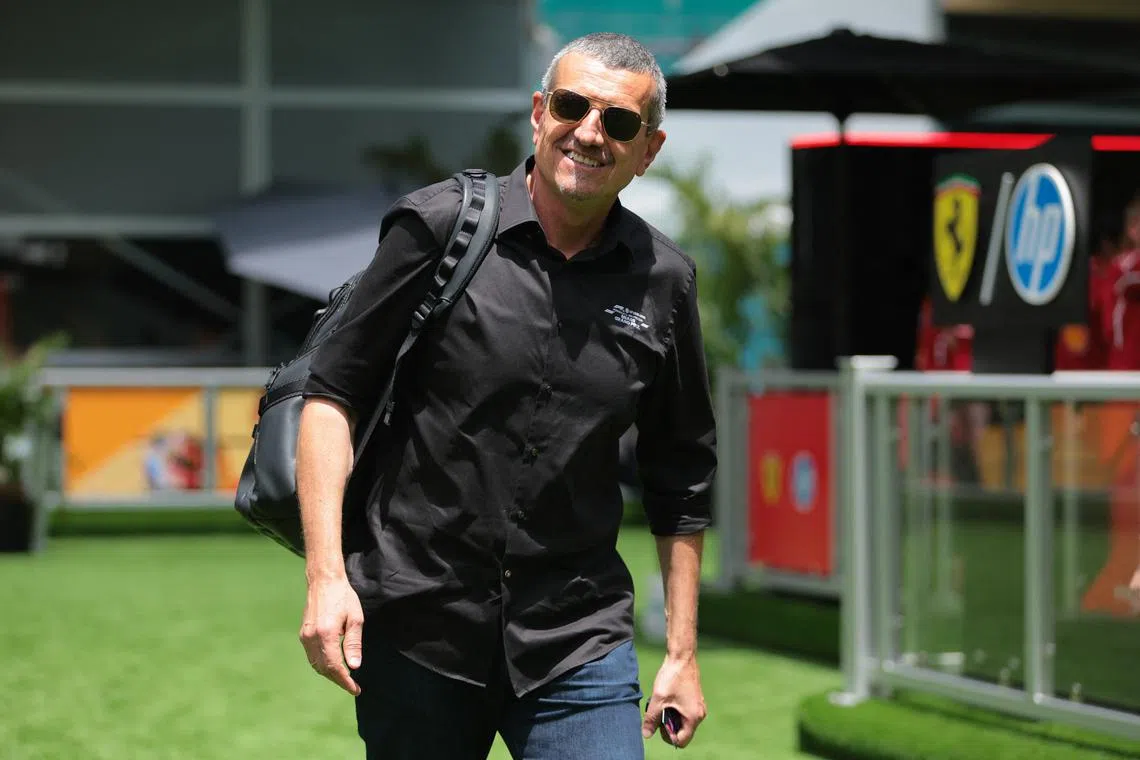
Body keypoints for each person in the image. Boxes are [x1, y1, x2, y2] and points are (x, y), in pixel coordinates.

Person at [294, 32, 716, 760]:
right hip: (417, 621)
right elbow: (333, 394)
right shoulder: (438, 228)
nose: (589, 132)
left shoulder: (664, 282)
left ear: (649, 149)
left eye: (618, 123)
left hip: (576, 635)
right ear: (538, 112)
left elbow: (681, 472)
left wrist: (680, 652)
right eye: (572, 106)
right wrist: (327, 579)